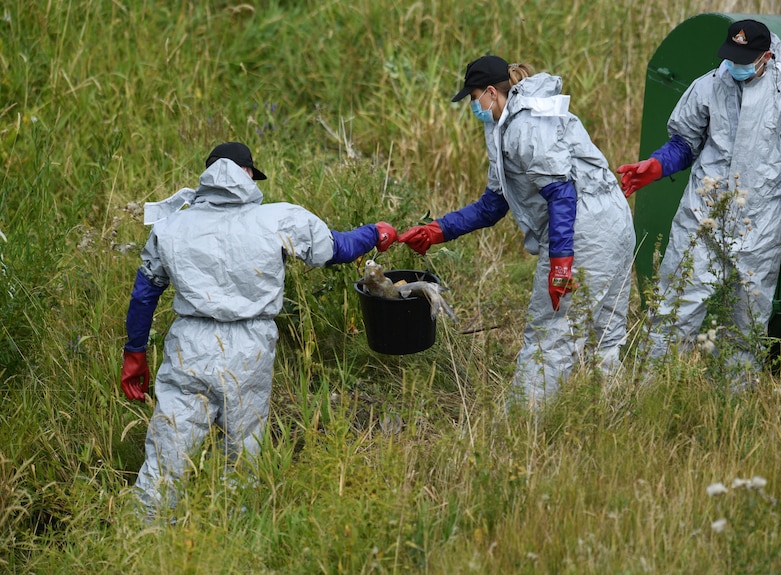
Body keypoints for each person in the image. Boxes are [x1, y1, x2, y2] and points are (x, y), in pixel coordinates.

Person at [119, 142, 397, 514]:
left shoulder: (172, 226)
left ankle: (144, 544)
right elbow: (338, 248)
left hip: (188, 346)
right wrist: (375, 233)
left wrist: (134, 353)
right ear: (248, 174)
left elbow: (144, 295)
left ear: (207, 176)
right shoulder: (278, 219)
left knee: (166, 459)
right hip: (249, 349)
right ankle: (234, 538)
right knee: (243, 459)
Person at [399, 56, 635, 405]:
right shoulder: (505, 124)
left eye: (473, 96)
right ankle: (609, 417)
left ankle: (524, 427)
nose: (472, 105)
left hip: (584, 233)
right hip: (612, 224)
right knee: (606, 334)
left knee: (549, 334)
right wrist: (438, 230)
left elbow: (561, 193)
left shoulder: (527, 124)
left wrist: (561, 264)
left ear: (491, 92)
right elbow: (493, 204)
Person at [616, 19, 781, 367]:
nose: (734, 66)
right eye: (731, 57)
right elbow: (683, 144)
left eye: (744, 60)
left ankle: (731, 408)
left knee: (746, 327)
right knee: (673, 310)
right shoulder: (708, 86)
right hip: (702, 218)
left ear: (766, 57)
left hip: (758, 227)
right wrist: (655, 166)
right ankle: (651, 395)